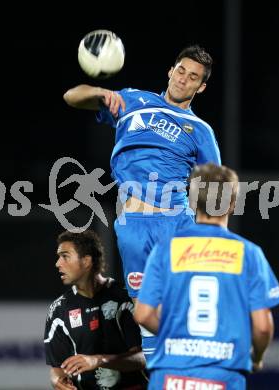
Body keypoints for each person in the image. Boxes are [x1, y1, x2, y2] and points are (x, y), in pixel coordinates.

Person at [63, 44, 221, 357]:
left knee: (187, 302)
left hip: (175, 222)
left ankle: (198, 366)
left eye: (193, 77)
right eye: (180, 71)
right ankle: (161, 372)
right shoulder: (133, 100)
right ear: (170, 70)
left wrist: (215, 229)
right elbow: (72, 97)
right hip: (133, 226)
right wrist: (99, 91)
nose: (183, 79)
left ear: (201, 86)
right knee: (145, 312)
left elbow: (216, 186)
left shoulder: (200, 130)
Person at [134, 163, 279, 389]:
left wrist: (176, 335)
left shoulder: (166, 249)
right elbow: (263, 327)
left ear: (193, 201)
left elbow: (143, 314)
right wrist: (256, 358)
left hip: (170, 374)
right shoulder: (249, 253)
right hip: (223, 374)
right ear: (233, 203)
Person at [44, 229, 147, 390]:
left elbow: (144, 357)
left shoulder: (126, 298)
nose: (58, 263)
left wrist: (98, 360)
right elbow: (56, 368)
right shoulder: (58, 311)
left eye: (65, 256)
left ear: (86, 261)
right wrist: (57, 380)